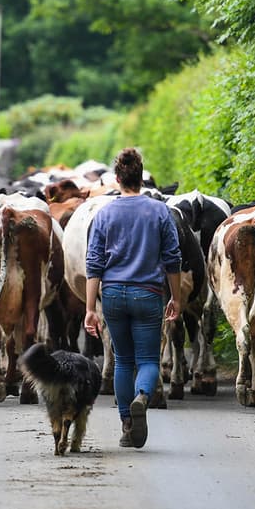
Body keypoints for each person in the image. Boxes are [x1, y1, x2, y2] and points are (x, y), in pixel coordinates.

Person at [83, 148, 182, 449]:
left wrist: (90, 309)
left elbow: (93, 263)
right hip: (148, 293)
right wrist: (175, 297)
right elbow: (173, 258)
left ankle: (127, 422)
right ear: (142, 178)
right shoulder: (159, 211)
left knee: (123, 360)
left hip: (112, 294)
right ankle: (143, 396)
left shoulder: (104, 213)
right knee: (149, 359)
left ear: (117, 179)